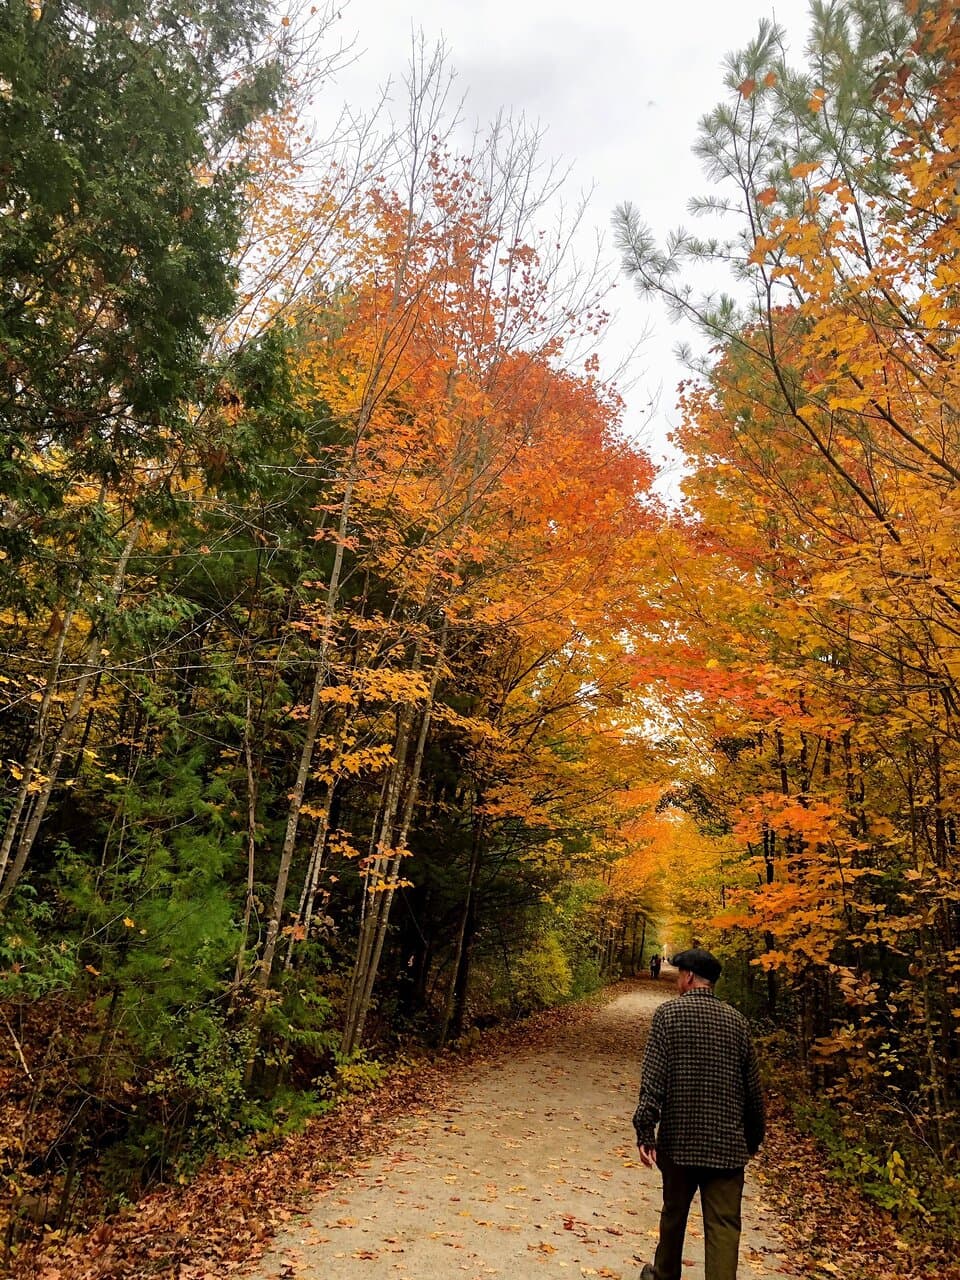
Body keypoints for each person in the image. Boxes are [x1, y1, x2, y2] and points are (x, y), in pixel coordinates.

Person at [633, 948, 765, 1280]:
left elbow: (653, 1079)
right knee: (724, 1226)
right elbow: (752, 1091)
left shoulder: (668, 1015)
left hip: (679, 1142)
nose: (678, 980)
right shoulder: (737, 1022)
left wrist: (645, 1130)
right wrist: (752, 1139)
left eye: (680, 974)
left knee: (674, 1215)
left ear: (689, 976)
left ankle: (664, 1275)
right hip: (727, 1146)